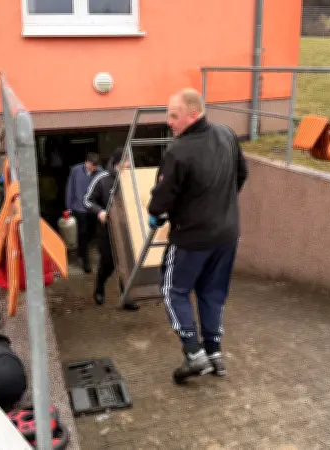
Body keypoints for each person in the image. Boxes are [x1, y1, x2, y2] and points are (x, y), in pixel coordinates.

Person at [147, 88, 248, 384]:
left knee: (172, 290)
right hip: (227, 234)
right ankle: (214, 352)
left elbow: (161, 199)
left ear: (193, 114)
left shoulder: (178, 151)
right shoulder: (227, 134)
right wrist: (220, 205)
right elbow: (241, 175)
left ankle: (194, 353)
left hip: (191, 238)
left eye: (174, 116)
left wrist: (157, 212)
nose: (169, 122)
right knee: (212, 292)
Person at [83, 148, 139, 311]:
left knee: (127, 264)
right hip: (107, 230)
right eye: (127, 161)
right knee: (108, 264)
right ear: (117, 163)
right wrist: (99, 211)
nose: (129, 165)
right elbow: (87, 200)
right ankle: (99, 286)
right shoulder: (102, 178)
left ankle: (126, 297)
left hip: (127, 229)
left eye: (130, 161)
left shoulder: (132, 178)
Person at [65, 152, 102, 273]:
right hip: (79, 208)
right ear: (86, 163)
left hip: (92, 207)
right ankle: (85, 260)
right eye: (92, 165)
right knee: (83, 233)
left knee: (92, 232)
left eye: (95, 166)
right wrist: (69, 206)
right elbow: (70, 188)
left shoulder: (100, 172)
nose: (94, 168)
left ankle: (82, 250)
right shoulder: (75, 170)